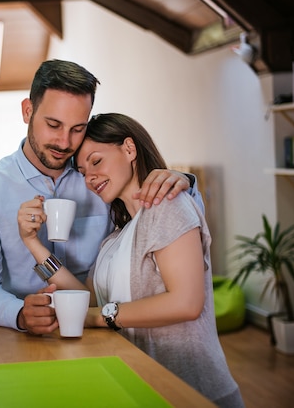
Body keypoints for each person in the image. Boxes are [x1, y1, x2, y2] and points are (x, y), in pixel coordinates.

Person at [0, 59, 204, 334]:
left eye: (78, 128)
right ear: (28, 111)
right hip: (30, 332)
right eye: (53, 125)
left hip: (107, 328)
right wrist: (19, 314)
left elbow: (168, 220)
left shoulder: (101, 180)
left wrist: (184, 183)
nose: (65, 143)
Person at [17, 113, 243, 407]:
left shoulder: (167, 206)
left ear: (129, 149)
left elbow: (186, 303)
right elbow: (88, 299)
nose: (90, 178)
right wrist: (32, 242)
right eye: (84, 172)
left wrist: (98, 318)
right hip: (144, 388)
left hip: (193, 393)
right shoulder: (115, 238)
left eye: (96, 162)